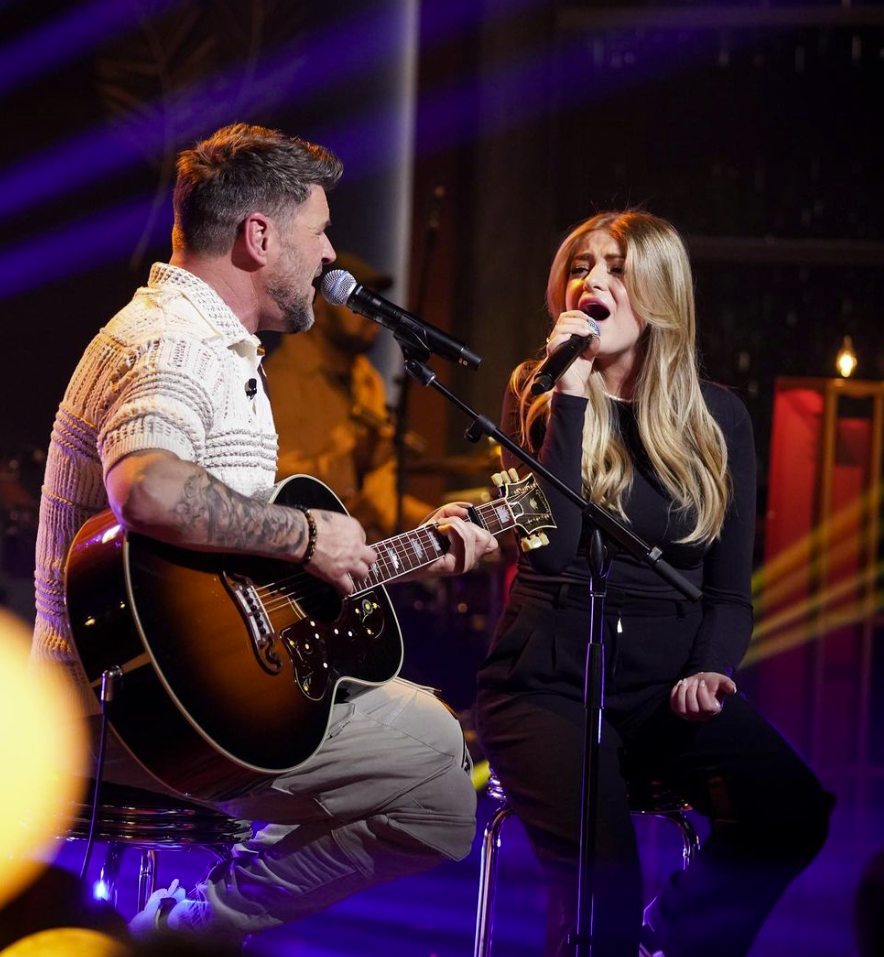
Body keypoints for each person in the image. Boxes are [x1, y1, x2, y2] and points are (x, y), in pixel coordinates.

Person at [31, 123, 498, 941]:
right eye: (319, 232)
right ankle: (193, 928)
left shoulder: (211, 340)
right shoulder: (177, 343)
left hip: (172, 697)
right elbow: (144, 483)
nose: (330, 256)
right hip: (123, 715)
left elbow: (236, 579)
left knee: (426, 748)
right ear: (259, 236)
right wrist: (306, 537)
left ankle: (193, 923)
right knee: (435, 771)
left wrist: (400, 552)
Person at [475, 210, 833, 957]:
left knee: (792, 809)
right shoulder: (536, 393)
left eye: (614, 266)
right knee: (601, 888)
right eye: (580, 264)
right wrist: (570, 391)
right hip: (549, 682)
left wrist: (710, 668)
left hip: (663, 686)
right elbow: (551, 552)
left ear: (660, 290)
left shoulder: (718, 417)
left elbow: (730, 592)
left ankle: (666, 940)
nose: (590, 280)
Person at [264, 251, 434, 540]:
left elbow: (381, 501)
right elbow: (273, 484)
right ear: (319, 302)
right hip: (304, 552)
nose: (372, 317)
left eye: (371, 302)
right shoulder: (280, 379)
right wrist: (348, 459)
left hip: (362, 553)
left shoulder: (368, 381)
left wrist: (444, 521)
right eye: (356, 303)